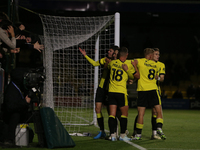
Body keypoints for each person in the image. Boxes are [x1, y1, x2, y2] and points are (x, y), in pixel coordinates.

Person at [79, 45, 118, 139]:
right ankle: (102, 131)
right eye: (108, 50)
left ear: (115, 53)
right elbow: (94, 63)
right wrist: (85, 56)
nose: (108, 52)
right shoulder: (104, 60)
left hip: (111, 90)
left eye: (111, 51)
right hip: (101, 88)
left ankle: (114, 131)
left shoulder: (117, 63)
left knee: (111, 112)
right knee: (97, 109)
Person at [131, 48, 166, 140]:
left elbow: (137, 72)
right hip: (153, 89)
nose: (158, 56)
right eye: (156, 54)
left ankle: (139, 134)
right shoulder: (156, 65)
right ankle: (159, 127)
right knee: (158, 111)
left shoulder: (140, 61)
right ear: (151, 55)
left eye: (158, 54)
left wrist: (132, 76)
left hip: (143, 90)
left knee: (141, 113)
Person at [107, 47, 139, 141]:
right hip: (121, 92)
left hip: (111, 91)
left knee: (112, 115)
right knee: (124, 114)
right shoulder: (128, 64)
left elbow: (109, 68)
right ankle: (122, 136)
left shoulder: (112, 63)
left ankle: (112, 135)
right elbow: (137, 76)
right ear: (127, 55)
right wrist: (128, 73)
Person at [1, 68, 32, 147]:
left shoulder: (16, 87)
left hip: (13, 114)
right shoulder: (11, 90)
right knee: (15, 114)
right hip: (8, 117)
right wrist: (24, 102)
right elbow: (11, 107)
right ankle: (9, 139)